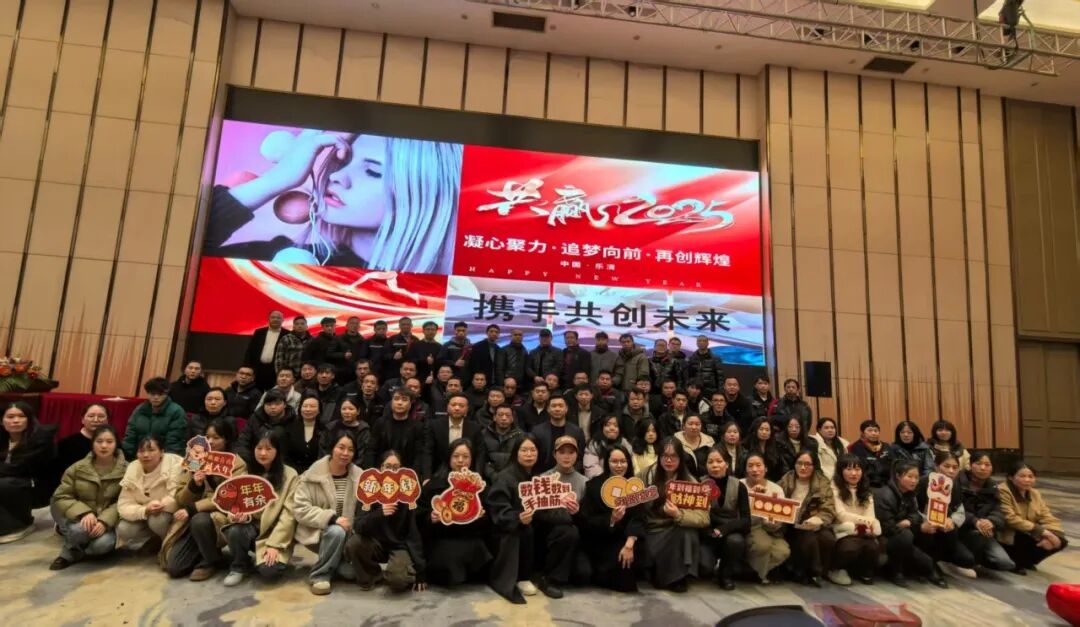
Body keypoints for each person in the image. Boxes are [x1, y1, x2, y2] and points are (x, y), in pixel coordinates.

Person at [207, 131, 462, 273]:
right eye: (343, 161)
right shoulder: (284, 261)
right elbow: (187, 250)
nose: (337, 176)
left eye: (373, 171)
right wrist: (275, 180)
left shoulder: (440, 292)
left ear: (427, 193)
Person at [160, 430, 249, 580]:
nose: (211, 441)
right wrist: (194, 485)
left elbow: (230, 496)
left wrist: (194, 508)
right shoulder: (195, 458)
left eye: (216, 437)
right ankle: (205, 553)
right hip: (191, 519)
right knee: (175, 568)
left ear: (226, 440)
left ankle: (211, 561)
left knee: (200, 520)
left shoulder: (236, 463)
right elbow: (180, 499)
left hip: (220, 515)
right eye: (208, 437)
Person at [222, 429, 301, 586]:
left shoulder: (290, 475)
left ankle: (265, 559)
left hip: (274, 533)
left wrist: (275, 545)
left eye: (269, 449)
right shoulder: (246, 472)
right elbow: (234, 504)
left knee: (269, 572)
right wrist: (241, 515)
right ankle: (239, 566)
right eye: (259, 448)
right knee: (235, 530)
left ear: (278, 451)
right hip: (252, 528)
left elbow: (289, 515)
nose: (263, 453)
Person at [293, 429, 363, 595]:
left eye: (350, 450)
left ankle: (336, 562)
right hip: (319, 533)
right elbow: (300, 509)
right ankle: (320, 575)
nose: (345, 453)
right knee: (336, 531)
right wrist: (332, 518)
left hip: (348, 536)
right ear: (332, 448)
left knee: (350, 574)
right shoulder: (311, 475)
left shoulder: (360, 477)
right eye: (341, 447)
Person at [345, 450, 427, 592]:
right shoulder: (369, 488)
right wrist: (379, 513)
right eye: (388, 466)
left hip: (399, 546)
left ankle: (399, 571)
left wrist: (421, 570)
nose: (392, 471)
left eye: (396, 467)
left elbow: (413, 533)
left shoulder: (407, 493)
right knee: (354, 543)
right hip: (374, 543)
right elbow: (358, 526)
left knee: (398, 580)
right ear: (381, 468)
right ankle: (372, 574)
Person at [49, 425, 125, 570]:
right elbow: (62, 495)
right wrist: (84, 513)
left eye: (109, 441)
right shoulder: (77, 468)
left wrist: (104, 521)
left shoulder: (127, 470)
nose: (104, 446)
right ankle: (69, 552)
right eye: (99, 441)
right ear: (93, 443)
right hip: (80, 518)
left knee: (102, 545)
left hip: (108, 522)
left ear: (116, 444)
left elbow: (124, 500)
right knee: (79, 530)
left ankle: (82, 547)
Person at [418, 439, 492, 586]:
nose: (460, 461)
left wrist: (481, 517)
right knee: (447, 556)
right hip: (441, 539)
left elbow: (490, 521)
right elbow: (418, 518)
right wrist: (430, 518)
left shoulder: (481, 488)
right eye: (456, 456)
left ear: (472, 459)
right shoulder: (433, 485)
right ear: (449, 458)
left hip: (471, 538)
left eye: (466, 456)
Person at [643, 438, 710, 591]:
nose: (669, 460)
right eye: (664, 456)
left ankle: (679, 577)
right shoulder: (647, 475)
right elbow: (633, 500)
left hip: (676, 527)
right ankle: (663, 575)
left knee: (686, 532)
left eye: (673, 456)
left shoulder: (690, 482)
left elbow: (704, 517)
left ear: (681, 458)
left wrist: (678, 514)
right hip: (652, 530)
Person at [873, 460, 948, 588]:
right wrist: (907, 524)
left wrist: (909, 522)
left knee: (929, 529)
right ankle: (896, 571)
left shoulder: (910, 494)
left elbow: (915, 516)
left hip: (904, 531)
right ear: (898, 476)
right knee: (906, 537)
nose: (914, 481)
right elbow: (887, 528)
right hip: (885, 536)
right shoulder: (884, 495)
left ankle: (925, 568)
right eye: (909, 476)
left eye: (916, 477)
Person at [580, 446, 644, 592]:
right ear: (606, 463)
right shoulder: (593, 486)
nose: (619, 465)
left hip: (628, 538)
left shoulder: (634, 486)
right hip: (602, 539)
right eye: (614, 461)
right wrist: (611, 519)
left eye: (623, 461)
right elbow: (587, 521)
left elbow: (639, 517)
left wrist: (629, 544)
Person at [487, 435, 541, 604]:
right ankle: (521, 577)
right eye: (524, 450)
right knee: (521, 529)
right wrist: (517, 517)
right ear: (516, 453)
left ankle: (546, 577)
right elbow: (498, 509)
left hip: (537, 522)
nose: (529, 454)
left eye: (532, 450)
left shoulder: (541, 477)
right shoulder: (505, 477)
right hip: (509, 527)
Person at [533, 436, 585, 598]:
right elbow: (537, 514)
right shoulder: (543, 479)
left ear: (577, 455)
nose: (566, 456)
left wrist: (577, 513)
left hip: (574, 535)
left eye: (571, 452)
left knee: (583, 575)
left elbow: (587, 519)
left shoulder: (584, 482)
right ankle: (550, 579)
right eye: (562, 452)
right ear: (554, 455)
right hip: (547, 533)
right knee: (567, 531)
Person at [778, 450, 836, 587]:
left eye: (808, 464)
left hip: (813, 522)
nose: (803, 467)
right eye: (799, 463)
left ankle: (816, 571)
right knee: (808, 538)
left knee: (828, 538)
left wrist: (818, 519)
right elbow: (775, 499)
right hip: (790, 524)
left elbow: (828, 508)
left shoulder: (822, 482)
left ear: (814, 466)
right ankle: (814, 573)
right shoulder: (787, 479)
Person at [998, 460, 1067, 574]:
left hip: (1029, 530)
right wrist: (1043, 532)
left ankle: (1025, 561)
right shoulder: (1003, 491)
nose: (1027, 480)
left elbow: (1046, 515)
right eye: (1022, 476)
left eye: (1031, 476)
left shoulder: (1035, 493)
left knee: (1060, 541)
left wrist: (1055, 533)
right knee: (1028, 537)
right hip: (1009, 532)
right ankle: (1014, 560)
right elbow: (1011, 519)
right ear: (1011, 477)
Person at [916, 450, 976, 575]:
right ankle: (929, 565)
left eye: (955, 467)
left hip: (945, 530)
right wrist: (925, 521)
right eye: (946, 466)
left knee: (967, 559)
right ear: (937, 466)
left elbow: (960, 510)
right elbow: (913, 508)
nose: (951, 471)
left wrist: (951, 520)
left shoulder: (955, 485)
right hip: (924, 528)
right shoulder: (923, 482)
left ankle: (943, 562)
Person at [117, 435, 182, 551]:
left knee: (156, 521)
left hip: (170, 514)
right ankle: (156, 539)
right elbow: (124, 504)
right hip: (146, 512)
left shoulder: (175, 464)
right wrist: (145, 510)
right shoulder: (133, 467)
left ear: (162, 452)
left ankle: (173, 544)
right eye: (141, 451)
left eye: (151, 450)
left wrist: (160, 505)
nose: (146, 455)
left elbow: (177, 495)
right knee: (124, 529)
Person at [957, 451, 1015, 573]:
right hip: (960, 529)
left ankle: (976, 559)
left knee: (1005, 563)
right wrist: (974, 521)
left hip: (983, 531)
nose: (983, 468)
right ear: (970, 465)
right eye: (979, 464)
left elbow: (999, 510)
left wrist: (991, 521)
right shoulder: (957, 481)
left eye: (987, 464)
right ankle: (962, 560)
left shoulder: (993, 487)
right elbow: (954, 507)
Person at [700, 448, 750, 590]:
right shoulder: (699, 483)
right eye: (710, 462)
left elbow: (746, 520)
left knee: (736, 541)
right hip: (707, 530)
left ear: (727, 464)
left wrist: (724, 529)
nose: (715, 465)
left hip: (730, 531)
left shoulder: (739, 486)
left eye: (719, 461)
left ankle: (726, 574)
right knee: (704, 568)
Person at [829, 454, 881, 586]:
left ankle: (862, 571)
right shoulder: (834, 489)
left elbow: (872, 517)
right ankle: (836, 569)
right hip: (841, 530)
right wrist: (865, 523)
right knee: (850, 547)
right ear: (840, 471)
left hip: (861, 531)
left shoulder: (866, 491)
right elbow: (841, 515)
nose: (854, 473)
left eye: (857, 469)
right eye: (849, 469)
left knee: (873, 547)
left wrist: (863, 525)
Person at [741, 452, 791, 583]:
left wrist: (771, 522)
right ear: (745, 469)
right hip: (750, 526)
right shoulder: (740, 485)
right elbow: (739, 515)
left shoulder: (776, 489)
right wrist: (754, 498)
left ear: (766, 468)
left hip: (771, 529)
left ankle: (750, 571)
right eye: (750, 466)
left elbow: (780, 518)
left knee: (782, 551)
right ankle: (760, 576)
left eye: (758, 465)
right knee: (762, 545)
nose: (755, 469)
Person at [236, 389, 305, 469]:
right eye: (268, 404)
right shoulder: (255, 418)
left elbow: (296, 449)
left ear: (285, 405)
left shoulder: (294, 421)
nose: (273, 407)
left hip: (283, 465)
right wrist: (252, 460)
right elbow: (243, 441)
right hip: (255, 461)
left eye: (277, 404)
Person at [122, 378, 188, 459]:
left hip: (163, 458)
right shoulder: (140, 409)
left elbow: (174, 442)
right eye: (152, 394)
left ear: (166, 394)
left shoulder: (177, 412)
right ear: (148, 393)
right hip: (139, 456)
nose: (156, 397)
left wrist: (166, 461)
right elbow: (130, 436)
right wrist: (126, 456)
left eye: (160, 394)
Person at [369, 390, 430, 477]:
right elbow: (371, 450)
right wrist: (372, 473)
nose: (400, 403)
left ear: (410, 404)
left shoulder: (418, 427)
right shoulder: (380, 423)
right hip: (380, 473)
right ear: (391, 402)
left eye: (404, 400)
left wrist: (412, 476)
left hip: (407, 475)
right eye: (396, 399)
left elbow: (419, 456)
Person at [52, 404, 109, 495]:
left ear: (107, 420)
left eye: (101, 416)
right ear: (82, 419)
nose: (96, 420)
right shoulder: (66, 444)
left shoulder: (113, 445)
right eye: (91, 416)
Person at [427, 393, 482, 477]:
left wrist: (477, 476)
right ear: (447, 407)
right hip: (438, 472)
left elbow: (480, 454)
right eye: (453, 405)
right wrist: (427, 476)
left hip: (466, 473)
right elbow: (427, 452)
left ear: (467, 409)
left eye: (461, 406)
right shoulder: (434, 426)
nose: (457, 408)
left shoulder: (475, 428)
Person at [531, 396, 585, 474]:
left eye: (560, 406)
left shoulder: (577, 431)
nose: (557, 409)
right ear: (548, 409)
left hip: (569, 473)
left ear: (566, 409)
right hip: (543, 474)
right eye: (554, 406)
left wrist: (571, 473)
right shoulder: (537, 431)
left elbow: (580, 458)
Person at [320, 398, 370, 466]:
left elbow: (363, 456)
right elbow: (323, 449)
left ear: (358, 411)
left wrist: (348, 467)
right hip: (330, 465)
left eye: (351, 409)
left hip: (354, 467)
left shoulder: (363, 430)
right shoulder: (331, 427)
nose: (347, 412)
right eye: (344, 409)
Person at [244, 310, 285, 391]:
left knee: (272, 394)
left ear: (283, 320)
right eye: (273, 317)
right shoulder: (259, 332)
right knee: (255, 392)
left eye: (278, 318)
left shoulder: (287, 334)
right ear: (268, 318)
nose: (275, 319)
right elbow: (250, 351)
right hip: (258, 369)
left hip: (275, 371)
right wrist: (247, 367)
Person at [846, 419, 891, 488]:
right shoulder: (856, 447)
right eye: (870, 430)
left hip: (887, 483)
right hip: (866, 484)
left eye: (876, 431)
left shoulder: (886, 446)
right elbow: (859, 468)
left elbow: (893, 465)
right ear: (862, 433)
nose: (873, 433)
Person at [743, 417, 785, 482]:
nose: (764, 432)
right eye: (761, 429)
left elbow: (780, 469)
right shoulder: (746, 447)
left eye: (767, 430)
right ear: (755, 430)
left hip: (772, 482)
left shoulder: (777, 447)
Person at [328, 316, 366, 383]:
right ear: (347, 325)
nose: (354, 325)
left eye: (357, 324)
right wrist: (343, 355)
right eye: (352, 323)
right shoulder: (338, 338)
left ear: (359, 326)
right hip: (340, 374)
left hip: (355, 374)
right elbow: (329, 354)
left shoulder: (363, 340)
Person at [296, 395, 325, 473]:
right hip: (294, 472)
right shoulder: (290, 427)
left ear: (319, 410)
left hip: (318, 471)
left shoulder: (325, 429)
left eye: (312, 406)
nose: (308, 409)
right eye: (305, 406)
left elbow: (324, 456)